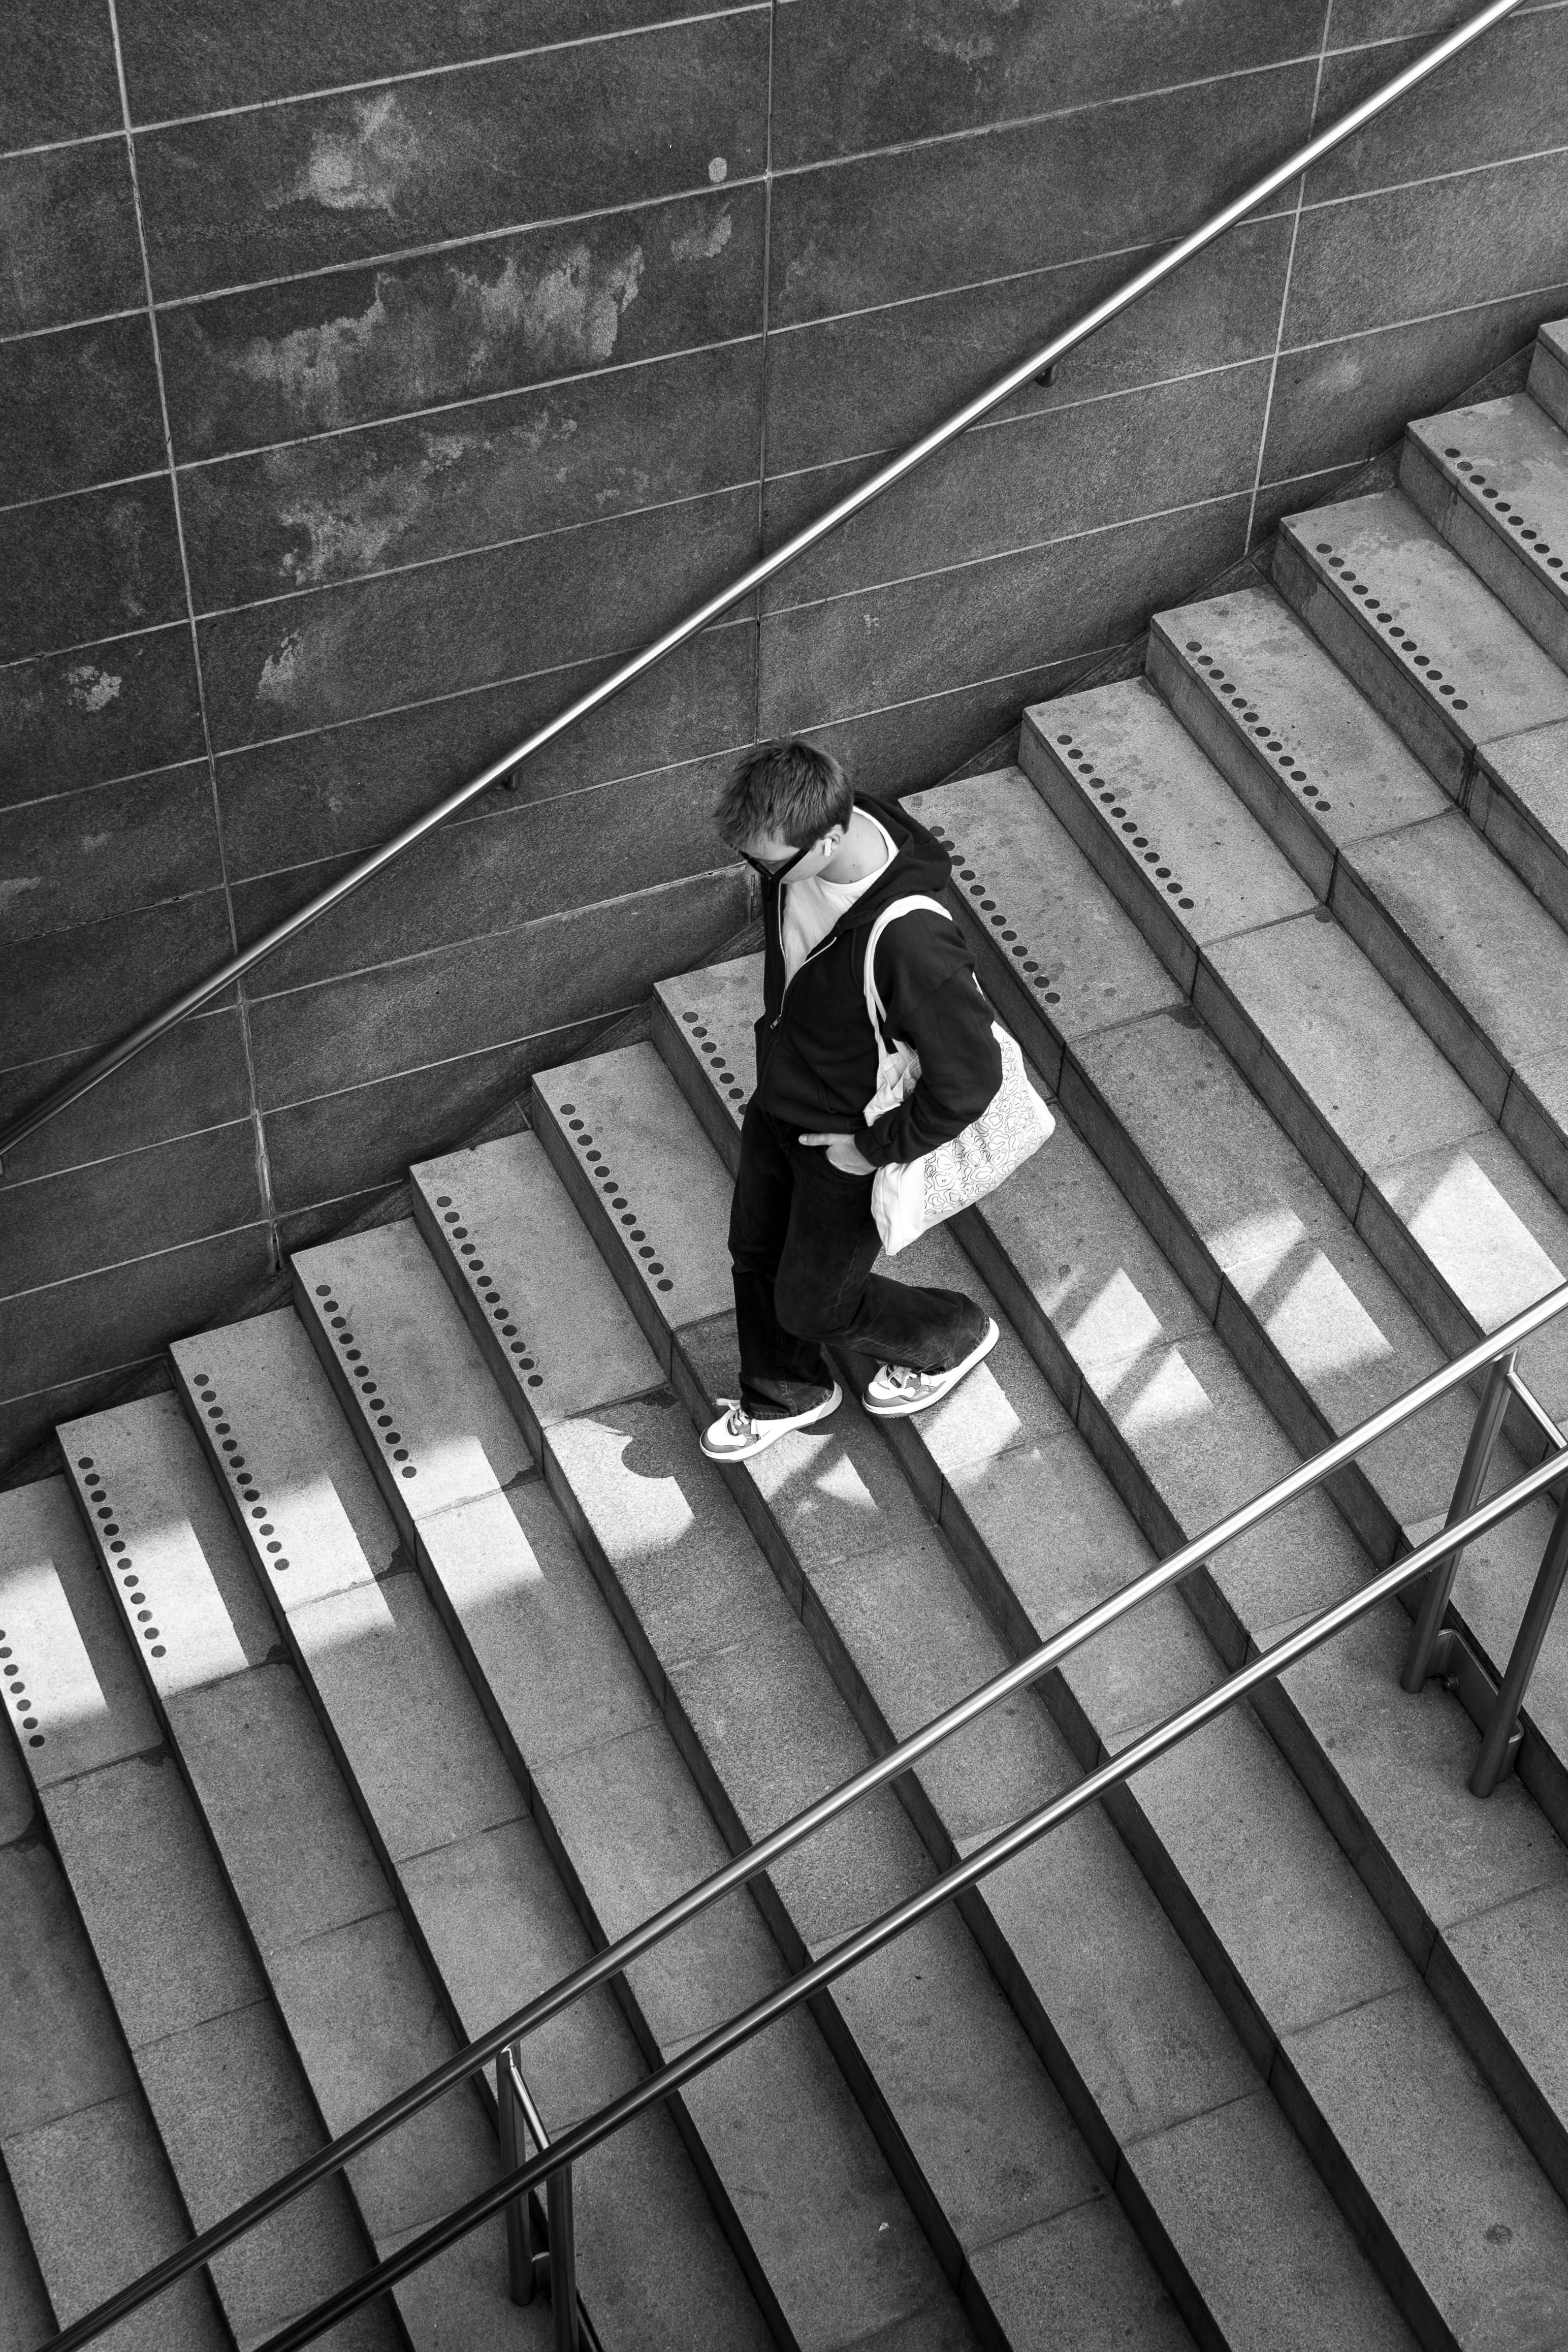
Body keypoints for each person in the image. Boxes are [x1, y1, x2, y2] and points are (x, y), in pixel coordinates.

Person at [701, 736, 1002, 1464]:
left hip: (846, 1136)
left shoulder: (911, 939)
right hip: (782, 1097)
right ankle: (788, 1391)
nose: (760, 876)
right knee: (754, 1250)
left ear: (830, 837)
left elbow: (972, 1076)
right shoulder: (810, 841)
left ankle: (953, 1334)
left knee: (817, 1302)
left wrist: (866, 1148)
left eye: (767, 864)